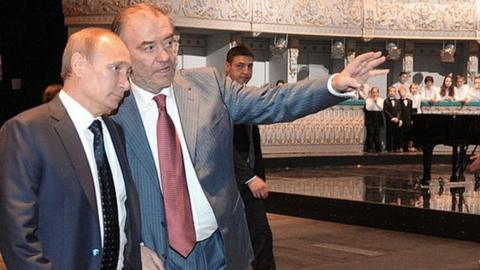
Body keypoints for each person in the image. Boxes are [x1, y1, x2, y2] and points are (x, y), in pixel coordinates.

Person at [110, 3, 388, 270]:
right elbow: (97, 199)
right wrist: (131, 247)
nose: (165, 56)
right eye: (149, 47)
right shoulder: (110, 111)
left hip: (219, 251)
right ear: (122, 53)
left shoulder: (208, 84)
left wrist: (333, 84)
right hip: (155, 258)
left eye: (169, 43)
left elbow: (274, 101)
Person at [0, 28, 141, 269]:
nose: (125, 84)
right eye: (116, 69)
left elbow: (122, 216)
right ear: (78, 65)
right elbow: (17, 239)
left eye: (128, 72)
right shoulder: (26, 131)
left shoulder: (115, 132)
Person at [225, 45, 275, 269]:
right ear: (227, 67)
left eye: (250, 66)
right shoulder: (219, 99)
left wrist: (258, 175)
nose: (245, 71)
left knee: (261, 235)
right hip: (227, 183)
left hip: (250, 182)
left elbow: (253, 145)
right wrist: (249, 177)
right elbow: (222, 144)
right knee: (226, 241)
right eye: (239, 66)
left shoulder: (247, 96)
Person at [364, 87, 384, 153]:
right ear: (371, 93)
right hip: (370, 117)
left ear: (378, 93)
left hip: (378, 117)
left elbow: (381, 108)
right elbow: (368, 108)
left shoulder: (381, 100)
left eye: (376, 92)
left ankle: (378, 148)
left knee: (377, 134)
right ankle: (369, 148)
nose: (374, 94)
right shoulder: (368, 100)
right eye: (373, 92)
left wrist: (376, 102)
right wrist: (373, 101)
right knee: (370, 133)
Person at [384, 86, 402, 152]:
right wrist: (392, 118)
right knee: (389, 134)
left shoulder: (398, 101)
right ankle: (389, 148)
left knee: (396, 134)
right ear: (388, 92)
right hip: (389, 120)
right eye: (390, 91)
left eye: (393, 91)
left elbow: (399, 110)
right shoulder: (386, 101)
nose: (392, 93)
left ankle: (396, 147)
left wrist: (397, 118)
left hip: (396, 120)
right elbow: (385, 111)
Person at [398, 87, 413, 152]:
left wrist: (412, 119)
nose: (402, 93)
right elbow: (399, 111)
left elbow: (410, 111)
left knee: (408, 134)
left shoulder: (410, 101)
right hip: (402, 120)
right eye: (401, 92)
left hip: (408, 119)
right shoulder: (398, 101)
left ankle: (406, 147)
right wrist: (400, 119)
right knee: (401, 134)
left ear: (406, 92)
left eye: (403, 92)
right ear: (399, 93)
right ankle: (401, 146)